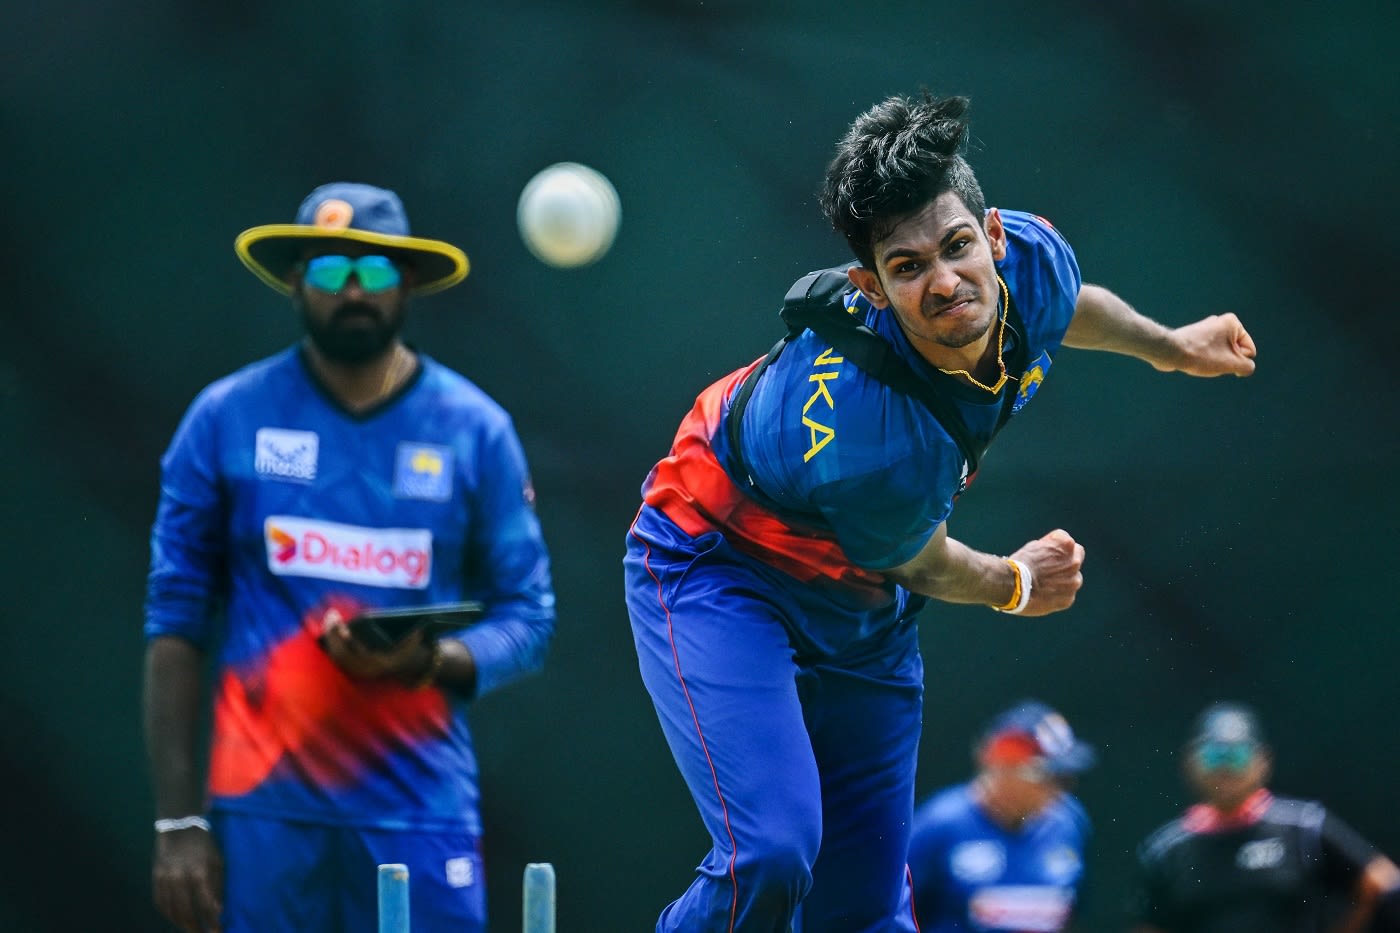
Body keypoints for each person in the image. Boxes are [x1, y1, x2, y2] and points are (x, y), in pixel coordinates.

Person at [622, 90, 1257, 932]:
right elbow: (920, 562)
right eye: (908, 266)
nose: (946, 281)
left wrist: (1171, 347)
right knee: (770, 857)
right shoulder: (870, 429)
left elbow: (1064, 310)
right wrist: (1018, 583)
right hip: (717, 562)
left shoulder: (1033, 259)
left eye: (958, 247)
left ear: (995, 236)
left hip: (860, 601)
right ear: (872, 288)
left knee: (871, 912)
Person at [142, 182, 556, 933]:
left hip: (418, 809)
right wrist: (177, 825)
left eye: (377, 271)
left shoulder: (475, 429)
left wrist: (427, 659)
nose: (355, 289)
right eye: (333, 271)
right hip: (264, 813)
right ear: (297, 281)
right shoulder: (225, 418)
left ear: (408, 286)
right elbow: (175, 624)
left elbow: (528, 617)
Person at [1132, 702, 1400, 933]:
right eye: (1214, 756)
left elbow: (1381, 881)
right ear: (1190, 763)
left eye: (1236, 755)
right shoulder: (1166, 851)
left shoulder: (1302, 827)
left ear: (1263, 761)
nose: (1225, 768)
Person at [907, 700, 1095, 932]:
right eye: (1050, 776)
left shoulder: (1068, 824)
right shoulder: (940, 825)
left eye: (1067, 778)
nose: (1060, 791)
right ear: (1002, 768)